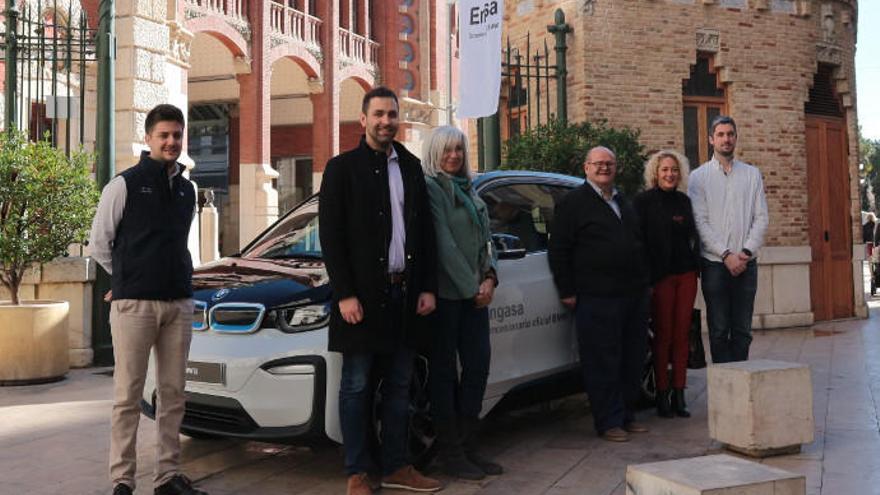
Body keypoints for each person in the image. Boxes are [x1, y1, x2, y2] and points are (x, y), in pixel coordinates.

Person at [318, 87, 442, 495]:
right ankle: (357, 471)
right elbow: (331, 237)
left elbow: (424, 233)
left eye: (392, 114)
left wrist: (427, 287)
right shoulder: (341, 169)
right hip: (361, 299)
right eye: (379, 114)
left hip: (404, 297)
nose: (386, 121)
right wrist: (345, 294)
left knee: (401, 386)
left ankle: (397, 466)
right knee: (355, 386)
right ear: (363, 119)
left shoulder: (409, 166)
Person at [89, 104, 206, 495]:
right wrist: (125, 281)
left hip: (178, 304)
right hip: (134, 306)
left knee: (173, 395)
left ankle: (168, 477)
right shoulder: (123, 185)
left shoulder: (188, 190)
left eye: (177, 135)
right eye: (164, 135)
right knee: (127, 395)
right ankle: (122, 480)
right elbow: (100, 244)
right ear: (149, 138)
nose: (171, 142)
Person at [548, 146, 651, 443]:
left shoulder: (622, 201)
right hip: (596, 296)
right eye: (598, 164)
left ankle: (627, 415)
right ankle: (608, 421)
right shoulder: (573, 202)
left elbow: (637, 243)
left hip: (632, 295)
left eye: (609, 163)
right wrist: (566, 290)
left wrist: (645, 284)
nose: (604, 168)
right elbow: (559, 249)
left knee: (631, 359)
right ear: (586, 168)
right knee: (602, 361)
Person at [421, 126, 502, 480]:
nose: (453, 156)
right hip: (448, 297)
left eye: (458, 149)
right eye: (446, 150)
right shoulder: (431, 188)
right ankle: (451, 453)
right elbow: (444, 245)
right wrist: (473, 288)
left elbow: (487, 241)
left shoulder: (470, 188)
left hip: (474, 294)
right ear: (434, 153)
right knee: (443, 375)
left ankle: (468, 446)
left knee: (478, 367)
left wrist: (491, 277)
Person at [688, 115, 768, 364]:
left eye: (730, 134)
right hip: (714, 264)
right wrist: (726, 254)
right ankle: (725, 387)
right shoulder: (698, 177)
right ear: (712, 139)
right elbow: (700, 222)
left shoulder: (752, 174)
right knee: (719, 329)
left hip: (747, 262)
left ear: (736, 138)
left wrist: (744, 252)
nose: (726, 139)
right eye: (721, 134)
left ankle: (742, 385)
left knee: (743, 331)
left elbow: (762, 217)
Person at [634, 150, 700, 419]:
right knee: (662, 337)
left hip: (685, 276)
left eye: (674, 170)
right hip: (659, 278)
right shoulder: (643, 202)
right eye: (664, 170)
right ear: (655, 173)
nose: (670, 174)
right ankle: (661, 394)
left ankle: (680, 394)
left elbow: (692, 237)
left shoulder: (685, 202)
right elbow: (638, 242)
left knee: (682, 336)